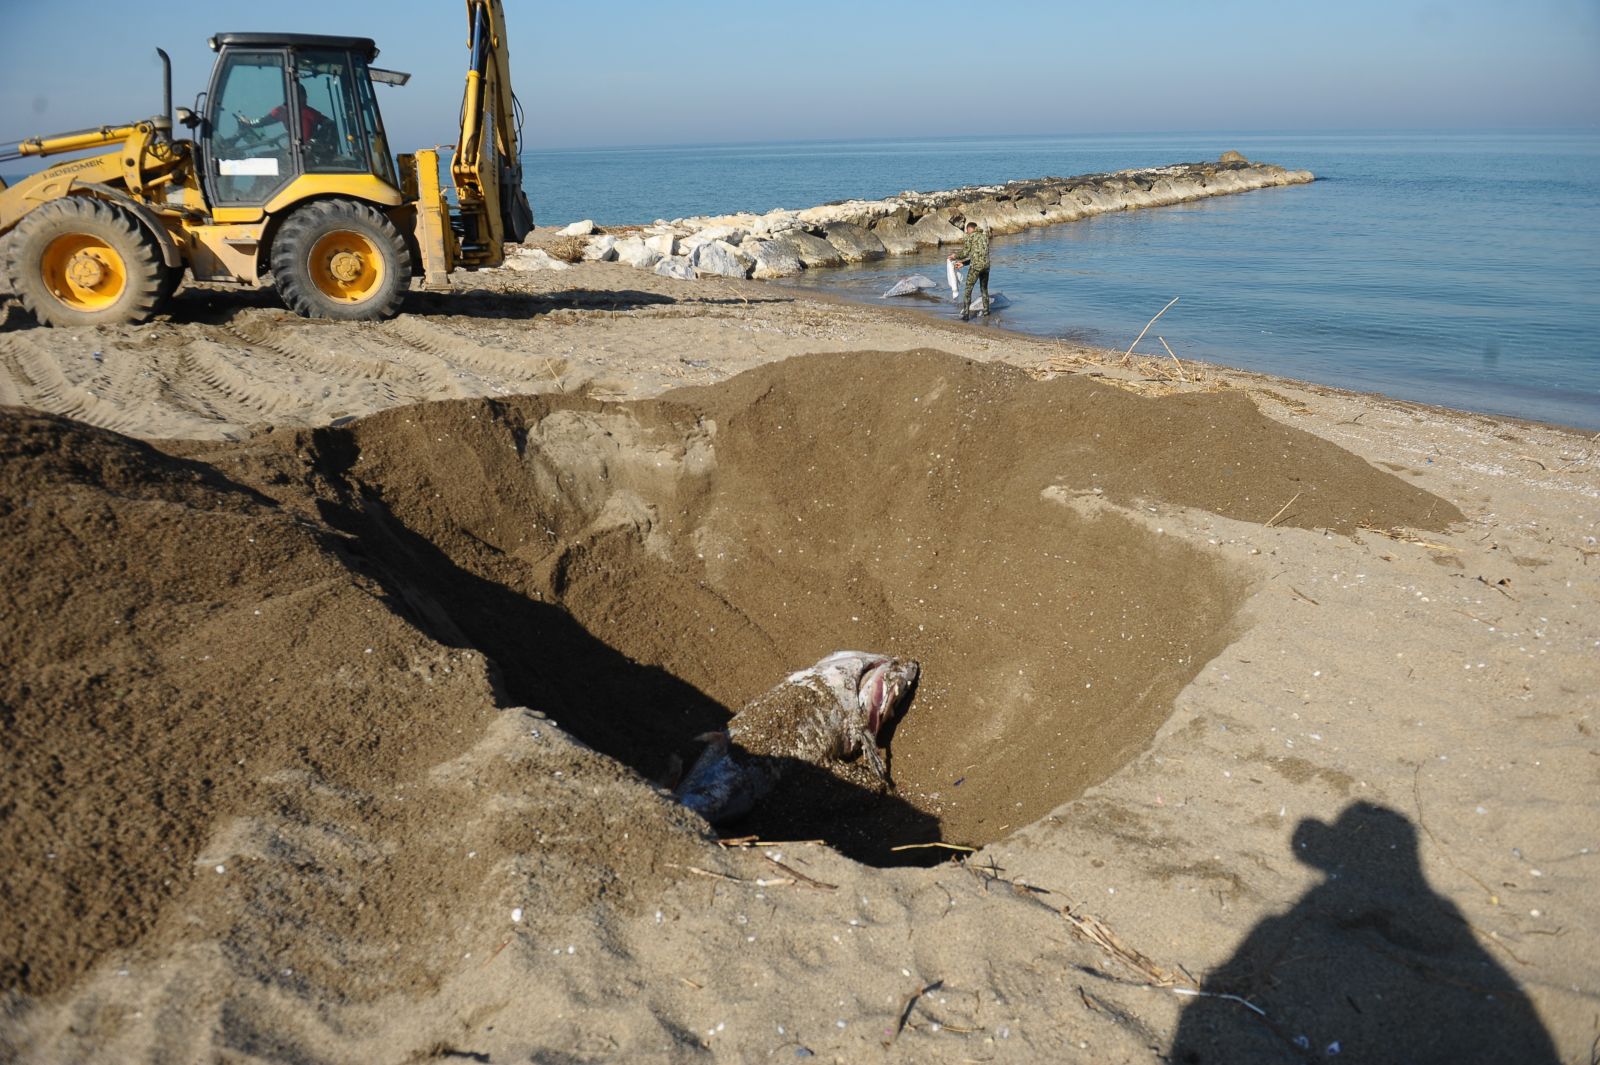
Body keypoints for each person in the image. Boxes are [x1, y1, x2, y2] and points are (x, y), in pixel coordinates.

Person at [239, 82, 330, 148]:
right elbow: (264, 120)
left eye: (303, 97)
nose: (304, 100)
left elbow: (263, 121)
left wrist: (249, 123)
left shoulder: (309, 113)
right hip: (299, 149)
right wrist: (249, 122)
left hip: (305, 152)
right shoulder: (284, 111)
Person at [948, 221, 990, 320]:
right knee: (984, 289)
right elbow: (979, 256)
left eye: (967, 231)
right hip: (986, 267)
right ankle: (986, 311)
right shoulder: (985, 237)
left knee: (968, 290)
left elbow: (965, 253)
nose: (966, 233)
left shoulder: (970, 237)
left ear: (969, 229)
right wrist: (964, 263)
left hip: (975, 268)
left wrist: (955, 256)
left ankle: (966, 315)